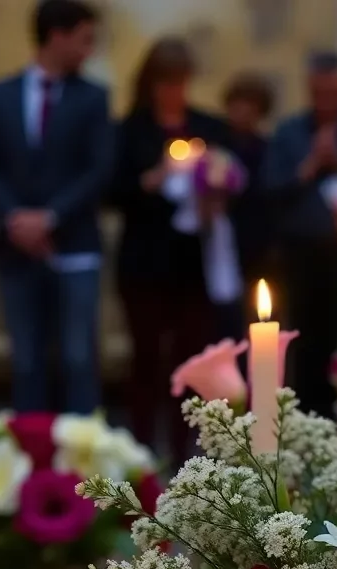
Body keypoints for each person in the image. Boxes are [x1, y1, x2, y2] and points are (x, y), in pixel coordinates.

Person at [0, 0, 111, 415]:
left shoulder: (93, 98)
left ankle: (85, 467)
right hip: (15, 249)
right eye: (84, 40)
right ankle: (32, 460)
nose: (89, 50)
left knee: (78, 357)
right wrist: (14, 217)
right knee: (27, 359)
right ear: (57, 35)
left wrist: (50, 217)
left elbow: (99, 168)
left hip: (75, 246)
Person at [111, 37, 231, 460]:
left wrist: (212, 189)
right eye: (166, 82)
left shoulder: (208, 126)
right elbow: (113, 192)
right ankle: (142, 449)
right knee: (146, 358)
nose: (174, 91)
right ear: (151, 83)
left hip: (192, 264)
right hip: (144, 263)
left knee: (190, 360)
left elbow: (230, 177)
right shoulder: (131, 131)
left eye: (180, 82)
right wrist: (157, 176)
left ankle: (185, 453)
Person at [264, 52, 337, 418]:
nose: (326, 99)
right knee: (302, 344)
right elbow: (269, 188)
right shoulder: (288, 132)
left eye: (333, 91)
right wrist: (310, 165)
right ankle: (302, 420)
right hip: (299, 256)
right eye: (319, 92)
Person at [220, 72, 275, 339]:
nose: (241, 112)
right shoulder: (217, 146)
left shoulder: (266, 149)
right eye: (237, 104)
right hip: (220, 244)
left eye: (249, 106)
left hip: (257, 244)